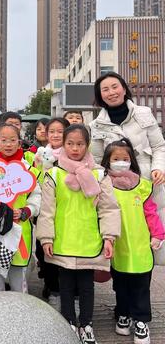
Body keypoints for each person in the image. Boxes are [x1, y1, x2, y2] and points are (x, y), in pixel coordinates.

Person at [37, 124, 121, 343]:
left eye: (80, 144)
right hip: (63, 241)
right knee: (65, 286)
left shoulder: (99, 174)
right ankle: (69, 323)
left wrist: (109, 237)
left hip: (89, 241)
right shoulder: (53, 174)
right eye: (70, 143)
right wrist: (46, 238)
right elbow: (47, 210)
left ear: (88, 145)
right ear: (63, 145)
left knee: (86, 287)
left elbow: (109, 208)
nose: (75, 148)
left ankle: (86, 324)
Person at [101, 138, 164, 344]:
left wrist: (157, 234)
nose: (120, 162)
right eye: (116, 158)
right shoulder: (104, 184)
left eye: (125, 158)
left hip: (139, 246)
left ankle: (141, 320)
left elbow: (151, 213)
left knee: (140, 286)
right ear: (107, 161)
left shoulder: (143, 186)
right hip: (118, 245)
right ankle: (123, 314)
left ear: (132, 161)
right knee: (120, 284)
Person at [0, 123, 41, 295]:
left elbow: (36, 196)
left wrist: (27, 211)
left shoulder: (27, 168)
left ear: (19, 143)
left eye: (13, 140)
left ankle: (19, 316)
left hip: (20, 228)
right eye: (4, 140)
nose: (8, 144)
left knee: (18, 280)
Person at [89, 72, 165, 185]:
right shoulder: (96, 125)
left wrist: (158, 168)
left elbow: (158, 146)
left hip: (148, 180)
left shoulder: (144, 113)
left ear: (124, 89)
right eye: (105, 90)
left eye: (115, 87)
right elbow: (97, 159)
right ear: (100, 95)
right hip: (115, 185)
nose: (111, 92)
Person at [34, 117, 70, 307]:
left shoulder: (72, 154)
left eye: (60, 131)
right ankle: (52, 289)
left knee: (65, 251)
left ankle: (68, 291)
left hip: (67, 211)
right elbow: (34, 179)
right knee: (45, 251)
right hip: (44, 211)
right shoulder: (40, 154)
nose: (56, 135)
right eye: (52, 132)